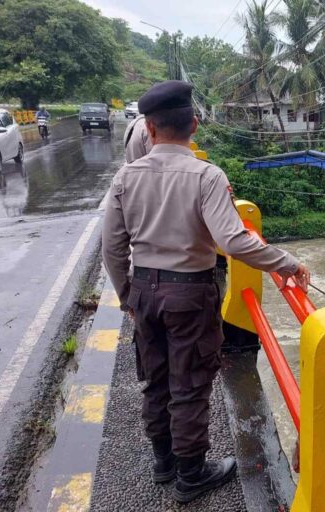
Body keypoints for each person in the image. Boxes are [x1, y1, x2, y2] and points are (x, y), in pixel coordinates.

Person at [102, 80, 310, 504]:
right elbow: (233, 242)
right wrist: (286, 262)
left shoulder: (126, 176)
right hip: (190, 296)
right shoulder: (207, 176)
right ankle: (192, 474)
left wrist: (127, 295)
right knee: (191, 385)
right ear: (194, 125)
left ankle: (164, 462)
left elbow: (111, 247)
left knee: (155, 380)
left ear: (150, 128)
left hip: (144, 289)